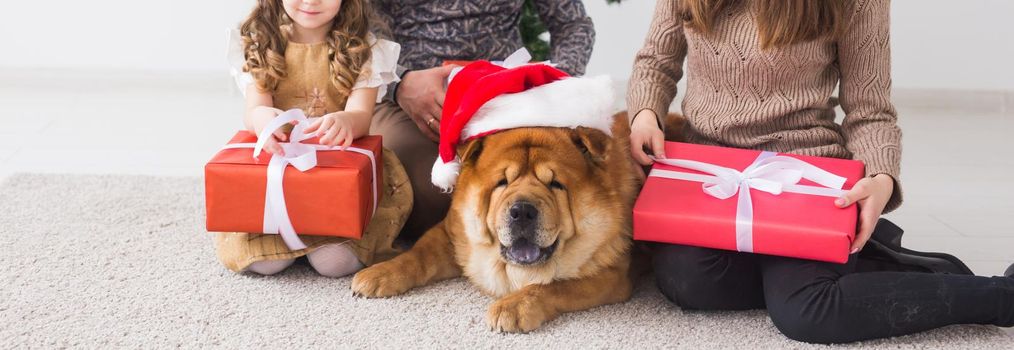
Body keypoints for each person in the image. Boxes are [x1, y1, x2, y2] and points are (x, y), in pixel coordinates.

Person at [627, 0, 1014, 343]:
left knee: (807, 312)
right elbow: (655, 62)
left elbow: (869, 109)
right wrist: (646, 114)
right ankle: (859, 260)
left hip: (803, 175)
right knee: (688, 283)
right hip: (715, 175)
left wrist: (880, 177)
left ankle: (1002, 298)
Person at [370, 0, 596, 242]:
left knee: (564, 180)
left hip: (504, 96)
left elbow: (574, 25)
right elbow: (354, 29)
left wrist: (551, 82)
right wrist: (400, 82)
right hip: (406, 95)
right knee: (427, 192)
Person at [215, 0, 410, 278]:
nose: (311, 1)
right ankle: (295, 236)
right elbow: (253, 111)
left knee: (334, 263)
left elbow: (361, 116)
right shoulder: (261, 43)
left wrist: (345, 120)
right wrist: (262, 119)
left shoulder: (364, 50)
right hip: (280, 178)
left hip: (338, 177)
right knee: (264, 264)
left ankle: (314, 238)